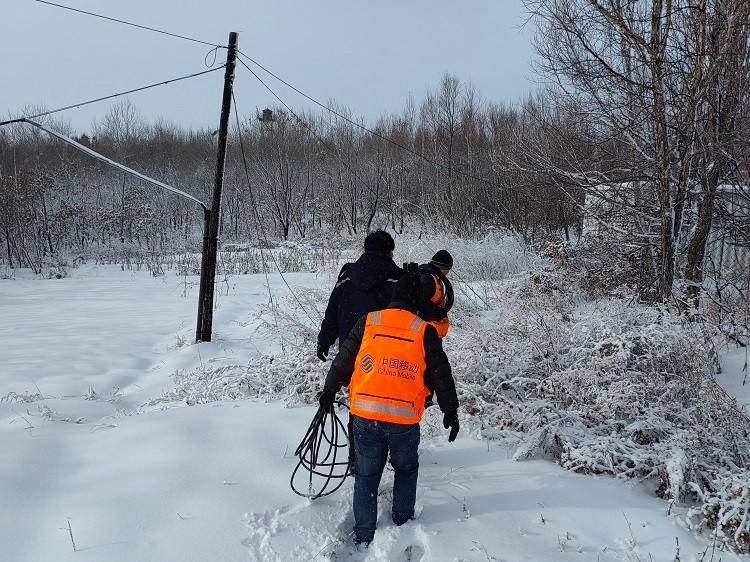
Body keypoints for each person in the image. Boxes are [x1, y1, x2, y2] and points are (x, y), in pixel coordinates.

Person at [318, 273, 459, 546]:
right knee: (405, 470)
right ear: (417, 300)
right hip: (403, 420)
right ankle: (402, 520)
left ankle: (363, 532)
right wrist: (449, 411)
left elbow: (344, 358)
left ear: (393, 298)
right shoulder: (424, 330)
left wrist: (329, 390)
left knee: (366, 476)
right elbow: (441, 373)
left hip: (365, 415)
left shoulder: (369, 321)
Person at [316, 230, 403, 362]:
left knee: (353, 381)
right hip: (384, 355)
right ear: (390, 251)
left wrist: (324, 340)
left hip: (350, 349)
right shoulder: (398, 279)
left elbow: (332, 310)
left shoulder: (347, 275)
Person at [418, 250, 454, 339]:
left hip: (416, 330)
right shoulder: (431, 279)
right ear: (445, 268)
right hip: (428, 331)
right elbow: (420, 303)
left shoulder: (420, 272)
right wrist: (438, 313)